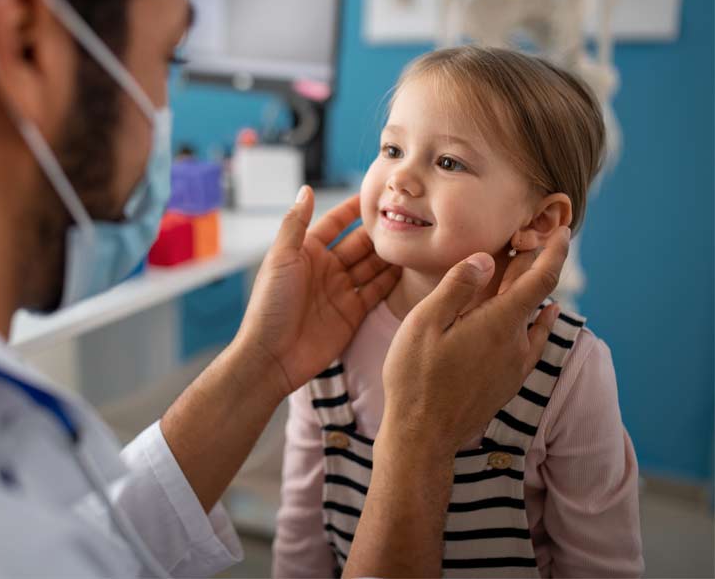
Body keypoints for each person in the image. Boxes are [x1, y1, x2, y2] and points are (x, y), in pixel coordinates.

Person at [0, 0, 569, 577]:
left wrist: (262, 363)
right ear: (28, 43)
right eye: (166, 57)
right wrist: (420, 439)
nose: (163, 110)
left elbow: (82, 548)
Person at [274, 47, 643, 578]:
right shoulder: (330, 332)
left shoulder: (569, 369)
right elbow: (300, 542)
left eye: (447, 161)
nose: (401, 178)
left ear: (539, 220)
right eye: (393, 148)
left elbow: (602, 564)